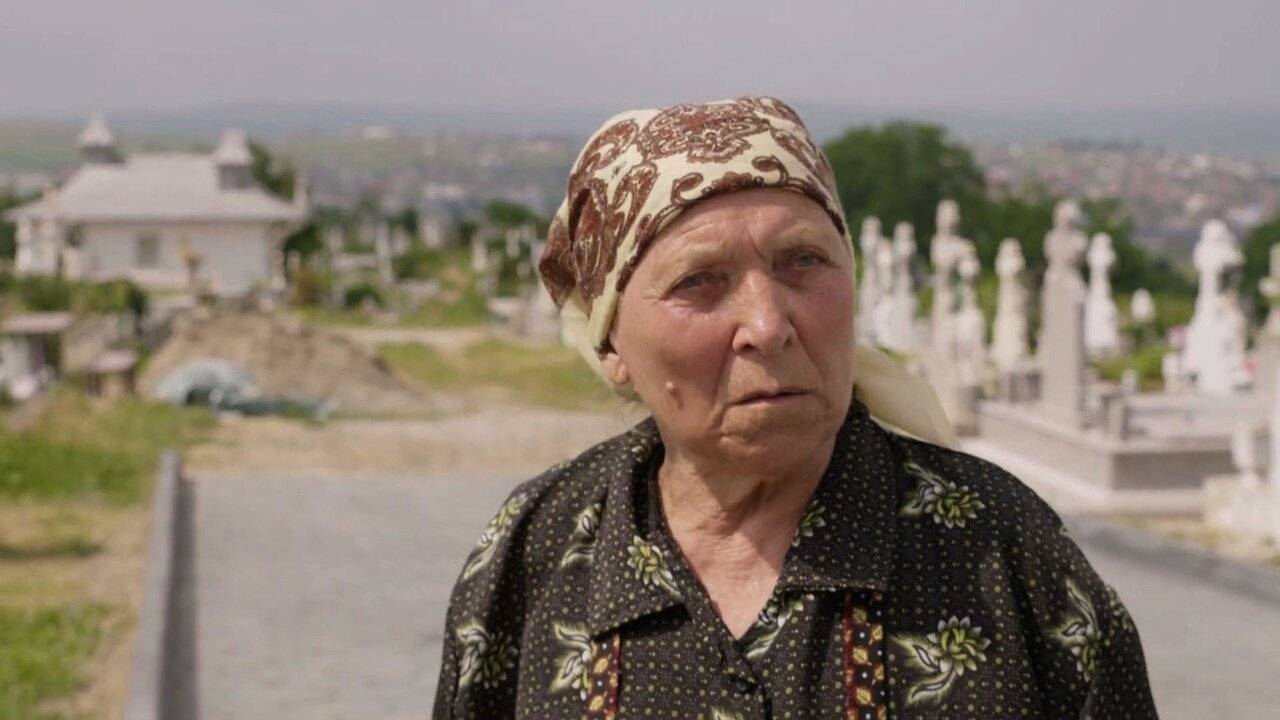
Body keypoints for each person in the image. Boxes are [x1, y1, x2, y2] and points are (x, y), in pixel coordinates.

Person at [432, 96, 1158, 719]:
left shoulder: (1006, 553)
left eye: (803, 262)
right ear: (612, 343)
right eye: (699, 281)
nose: (768, 324)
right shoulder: (537, 550)